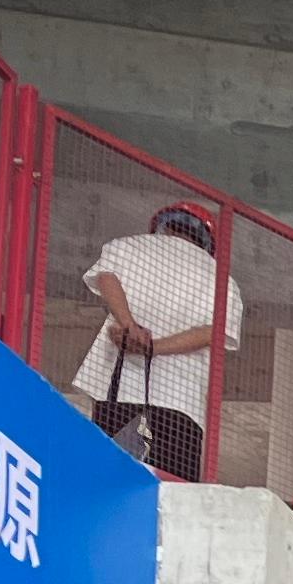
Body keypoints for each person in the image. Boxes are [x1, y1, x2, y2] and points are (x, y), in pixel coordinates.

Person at [75, 200, 245, 482]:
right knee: (171, 487)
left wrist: (130, 328)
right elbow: (213, 332)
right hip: (181, 401)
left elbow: (106, 278)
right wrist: (153, 348)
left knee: (108, 478)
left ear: (161, 225)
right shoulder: (222, 279)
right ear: (207, 240)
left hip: (117, 389)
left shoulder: (127, 246)